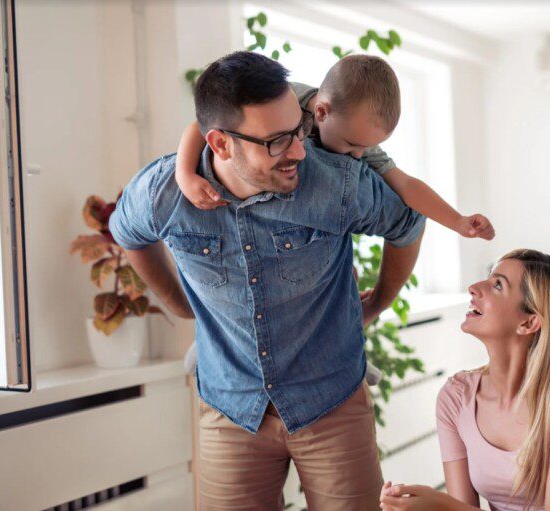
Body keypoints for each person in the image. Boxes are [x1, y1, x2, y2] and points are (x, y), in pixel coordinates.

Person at [109, 51, 425, 510]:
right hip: (230, 409)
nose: (299, 150)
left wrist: (377, 301)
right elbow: (127, 232)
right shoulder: (163, 194)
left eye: (296, 131)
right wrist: (179, 305)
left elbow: (408, 225)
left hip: (332, 403)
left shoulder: (338, 184)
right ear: (219, 144)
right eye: (277, 141)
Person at [176, 54, 495, 382]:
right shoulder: (290, 103)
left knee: (338, 278)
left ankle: (349, 347)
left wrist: (458, 221)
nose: (358, 155)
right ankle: (208, 342)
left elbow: (405, 186)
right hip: (252, 222)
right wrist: (185, 174)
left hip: (318, 231)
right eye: (352, 145)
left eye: (365, 148)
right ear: (321, 112)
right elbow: (202, 127)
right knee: (239, 278)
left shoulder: (356, 141)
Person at [380, 249, 550, 511]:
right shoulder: (456, 397)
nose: (473, 287)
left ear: (529, 323)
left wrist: (443, 506)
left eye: (498, 285)